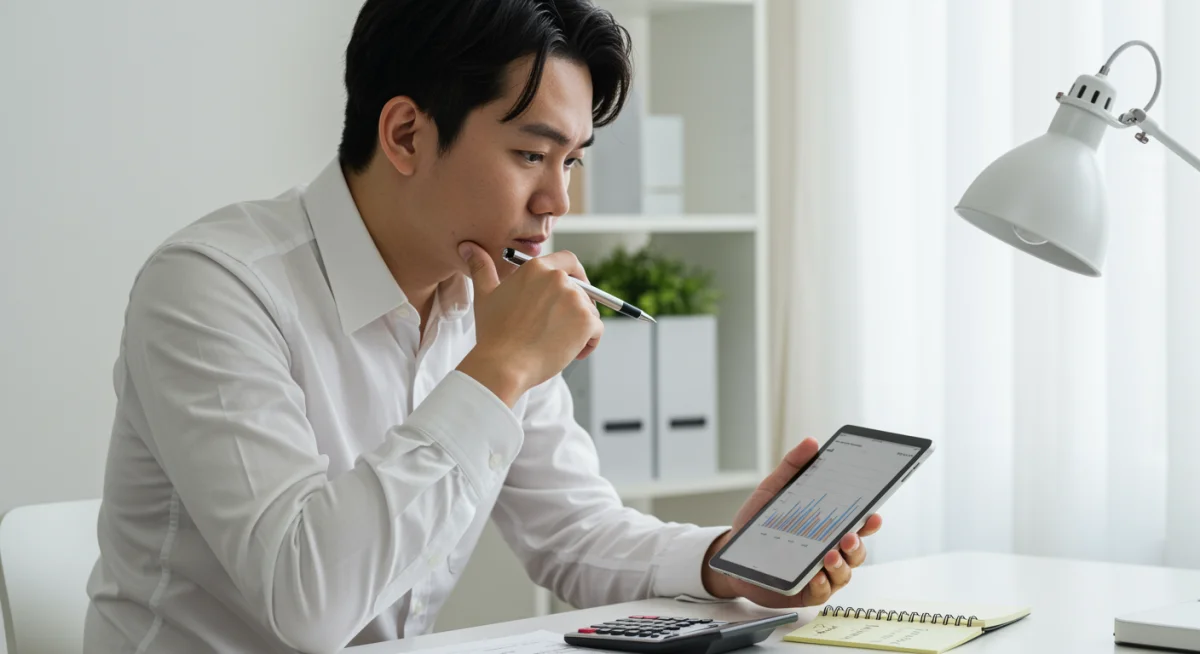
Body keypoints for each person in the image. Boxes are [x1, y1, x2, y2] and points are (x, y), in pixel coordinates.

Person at [83, 1, 883, 652]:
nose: (559, 202)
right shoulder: (212, 287)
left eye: (571, 160)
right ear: (405, 135)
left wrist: (725, 564)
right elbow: (309, 603)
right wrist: (498, 367)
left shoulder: (483, 297)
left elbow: (573, 532)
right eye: (532, 155)